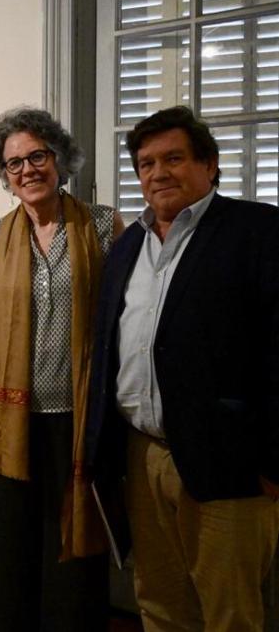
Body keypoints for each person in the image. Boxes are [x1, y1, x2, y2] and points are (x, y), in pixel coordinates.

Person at [86, 106, 279, 632]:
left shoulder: (259, 232)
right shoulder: (128, 245)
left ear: (210, 164)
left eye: (174, 158)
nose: (158, 173)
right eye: (146, 163)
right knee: (161, 603)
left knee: (230, 611)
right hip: (142, 456)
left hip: (230, 464)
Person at [0, 107, 124, 631]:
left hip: (78, 418)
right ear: (4, 176)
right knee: (10, 539)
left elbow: (122, 321)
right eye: (14, 163)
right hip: (11, 418)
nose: (27, 169)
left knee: (70, 544)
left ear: (59, 160)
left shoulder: (102, 224)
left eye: (37, 156)